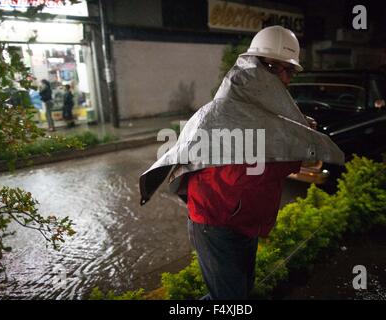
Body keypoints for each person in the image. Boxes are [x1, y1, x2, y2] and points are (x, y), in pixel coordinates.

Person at [139, 26, 344, 300]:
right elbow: (253, 169)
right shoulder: (221, 112)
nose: (284, 78)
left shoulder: (268, 110)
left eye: (290, 71)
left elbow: (272, 144)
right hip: (215, 222)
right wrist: (297, 142)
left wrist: (297, 132)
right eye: (274, 67)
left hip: (244, 221)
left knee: (240, 291)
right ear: (255, 66)